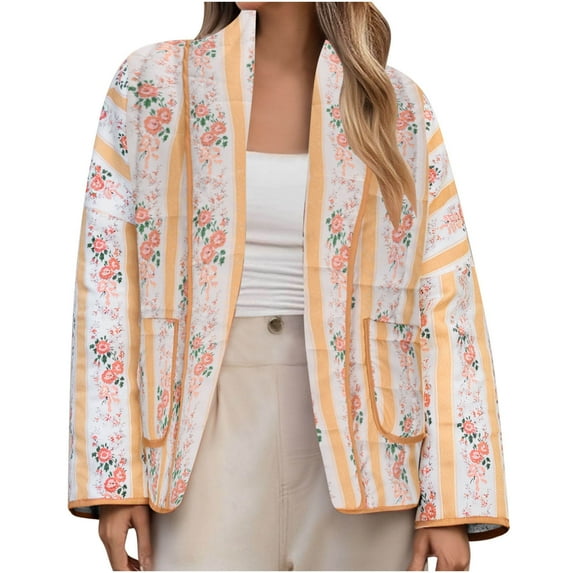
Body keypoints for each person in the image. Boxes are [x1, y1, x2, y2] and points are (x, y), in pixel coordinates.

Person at [68, 2, 509, 570]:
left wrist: (450, 504)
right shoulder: (155, 82)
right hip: (197, 429)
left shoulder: (396, 104)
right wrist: (115, 480)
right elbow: (108, 283)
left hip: (369, 444)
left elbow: (447, 300)